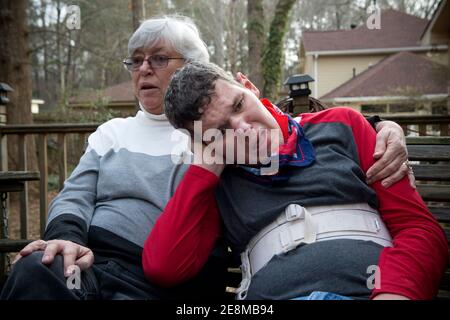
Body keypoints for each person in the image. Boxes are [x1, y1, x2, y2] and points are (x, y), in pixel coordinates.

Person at [1, 16, 410, 300]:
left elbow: (289, 127)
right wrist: (68, 239)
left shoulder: (228, 143)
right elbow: (74, 195)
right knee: (37, 270)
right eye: (136, 60)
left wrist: (380, 125)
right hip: (95, 263)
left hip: (167, 287)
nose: (144, 69)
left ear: (193, 67)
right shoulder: (111, 134)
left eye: (159, 59)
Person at [142, 61, 448, 300]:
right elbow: (163, 267)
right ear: (204, 144)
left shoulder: (342, 125)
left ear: (249, 86)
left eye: (239, 105)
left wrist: (396, 292)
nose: (245, 129)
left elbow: (418, 227)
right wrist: (205, 169)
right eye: (222, 130)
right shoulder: (219, 184)